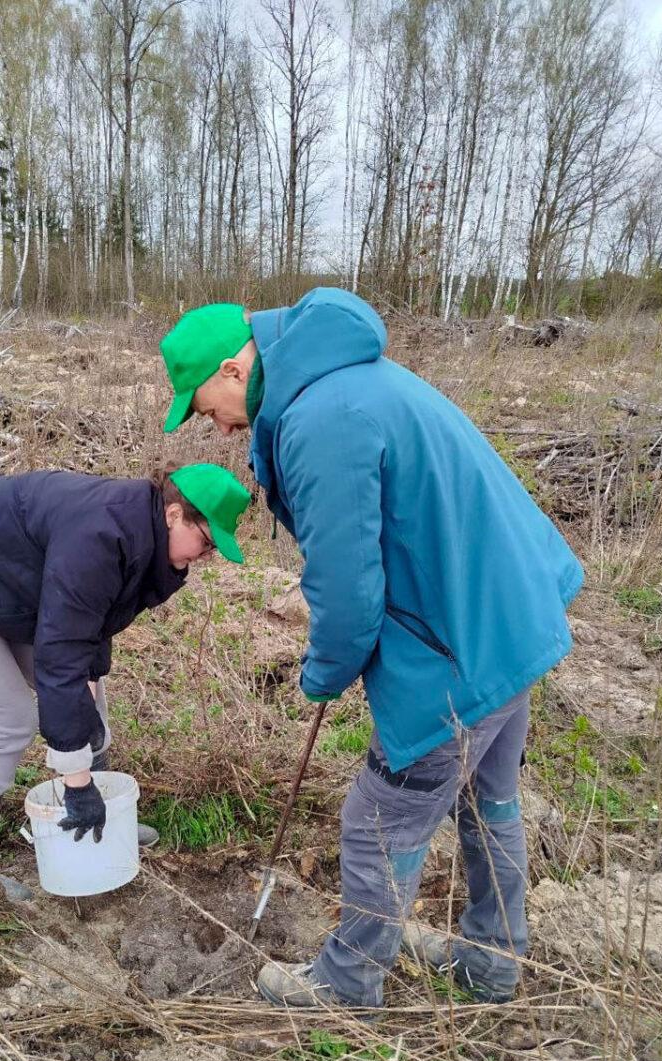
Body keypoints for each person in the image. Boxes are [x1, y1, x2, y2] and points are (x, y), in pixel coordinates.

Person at [160, 290, 583, 1009]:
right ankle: (490, 959)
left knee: (374, 822)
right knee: (488, 801)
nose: (221, 431)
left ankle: (349, 981)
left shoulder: (320, 420)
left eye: (206, 410)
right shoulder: (348, 380)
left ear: (234, 370)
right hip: (506, 620)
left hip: (458, 648)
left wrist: (323, 673)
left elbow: (348, 590)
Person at [0, 463, 251, 898]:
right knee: (8, 723)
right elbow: (60, 654)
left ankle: (106, 818)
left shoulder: (138, 533)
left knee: (89, 700)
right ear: (174, 514)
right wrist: (75, 783)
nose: (205, 558)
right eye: (206, 544)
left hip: (6, 584)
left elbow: (89, 622)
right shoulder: (102, 535)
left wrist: (88, 690)